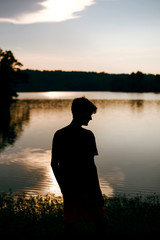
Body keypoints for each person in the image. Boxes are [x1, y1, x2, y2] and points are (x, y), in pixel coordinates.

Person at [51, 97, 108, 236]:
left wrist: (63, 188)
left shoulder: (59, 134)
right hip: (87, 188)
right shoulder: (87, 135)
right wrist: (98, 193)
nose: (90, 118)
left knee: (70, 226)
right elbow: (91, 167)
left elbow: (54, 164)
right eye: (89, 114)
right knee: (102, 222)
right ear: (79, 112)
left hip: (69, 188)